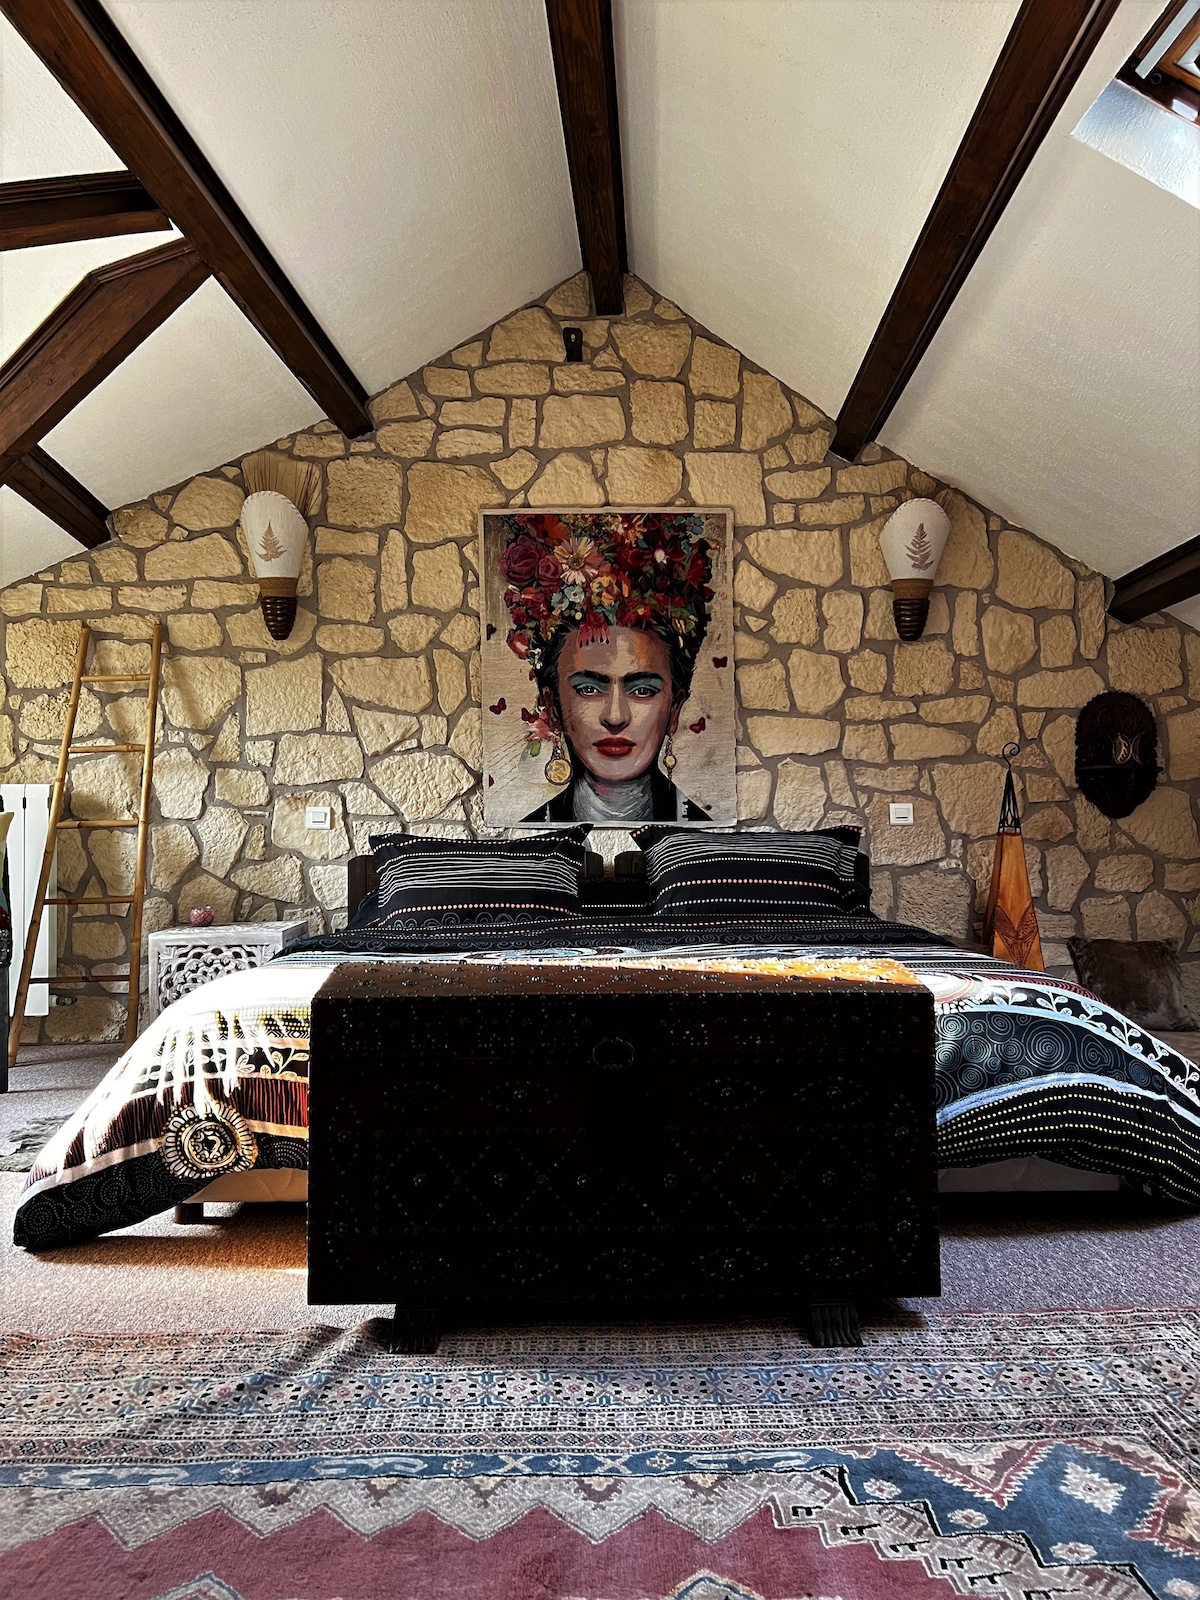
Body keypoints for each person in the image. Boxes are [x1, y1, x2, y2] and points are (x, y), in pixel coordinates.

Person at [497, 511, 714, 824]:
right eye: (589, 688)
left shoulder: (700, 833)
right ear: (552, 707)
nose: (615, 717)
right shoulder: (530, 834)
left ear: (674, 709)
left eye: (642, 690)